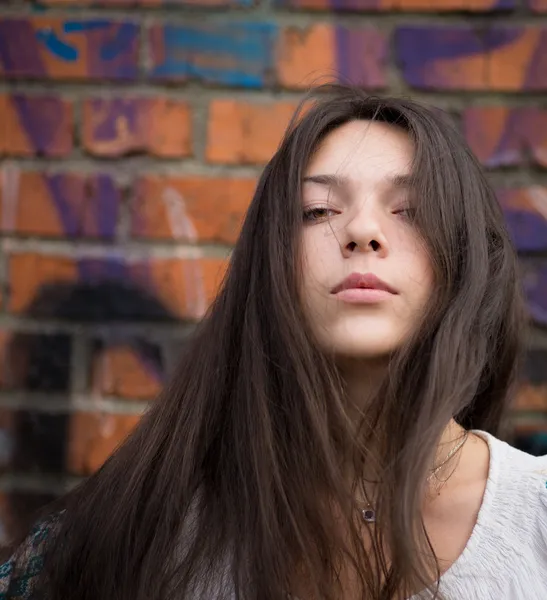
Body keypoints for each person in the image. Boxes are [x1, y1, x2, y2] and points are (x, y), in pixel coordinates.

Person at [0, 84, 543, 600]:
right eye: (318, 211)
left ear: (465, 261)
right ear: (271, 265)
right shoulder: (146, 531)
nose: (361, 231)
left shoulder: (535, 514)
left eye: (412, 210)